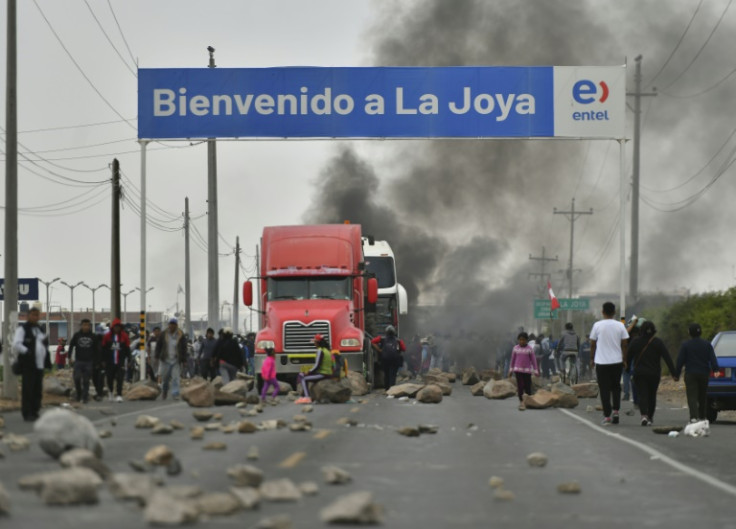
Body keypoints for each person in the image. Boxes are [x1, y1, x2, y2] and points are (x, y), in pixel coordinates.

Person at [627, 320, 677, 426]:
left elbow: (628, 357)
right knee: (652, 395)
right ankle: (650, 417)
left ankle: (643, 415)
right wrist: (673, 373)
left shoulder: (635, 341)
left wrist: (626, 370)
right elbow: (667, 358)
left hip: (639, 373)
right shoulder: (658, 342)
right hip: (654, 374)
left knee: (642, 394)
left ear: (641, 330)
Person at [589, 301, 629, 426]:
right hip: (617, 361)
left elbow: (592, 344)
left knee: (604, 389)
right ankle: (616, 411)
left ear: (602, 312)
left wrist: (591, 359)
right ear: (614, 312)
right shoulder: (620, 326)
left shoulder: (597, 325)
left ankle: (607, 415)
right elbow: (625, 344)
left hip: (601, 362)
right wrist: (624, 359)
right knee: (616, 387)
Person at [674, 323, 720, 423]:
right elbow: (712, 358)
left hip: (690, 374)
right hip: (704, 373)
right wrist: (716, 369)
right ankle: (702, 416)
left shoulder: (685, 345)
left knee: (692, 396)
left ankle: (694, 417)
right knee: (703, 396)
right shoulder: (707, 344)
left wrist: (676, 374)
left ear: (690, 333)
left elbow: (680, 361)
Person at [13, 304, 51, 421]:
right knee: (28, 390)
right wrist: (27, 351)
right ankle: (27, 413)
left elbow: (44, 345)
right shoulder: (22, 329)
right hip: (28, 364)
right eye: (33, 315)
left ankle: (35, 411)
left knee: (37, 389)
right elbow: (16, 344)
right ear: (28, 316)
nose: (35, 317)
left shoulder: (40, 329)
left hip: (39, 364)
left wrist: (47, 361)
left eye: (37, 315)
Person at [67, 318, 100, 403]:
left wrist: (97, 362)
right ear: (81, 326)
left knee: (86, 380)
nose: (86, 327)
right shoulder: (77, 335)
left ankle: (85, 397)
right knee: (77, 378)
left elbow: (97, 350)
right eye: (84, 325)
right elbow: (71, 346)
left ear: (90, 326)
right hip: (78, 361)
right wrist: (69, 357)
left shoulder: (93, 336)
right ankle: (79, 394)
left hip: (89, 362)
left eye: (88, 325)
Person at [296, 334, 334, 404]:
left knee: (303, 377)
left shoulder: (320, 350)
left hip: (323, 374)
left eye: (314, 342)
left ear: (317, 342)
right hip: (328, 373)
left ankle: (307, 397)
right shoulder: (327, 351)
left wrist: (309, 372)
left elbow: (317, 365)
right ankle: (304, 396)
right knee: (303, 375)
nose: (314, 343)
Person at [155, 318, 187, 400]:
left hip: (176, 360)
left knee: (175, 377)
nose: (172, 326)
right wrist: (157, 356)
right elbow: (158, 346)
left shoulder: (180, 335)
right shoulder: (164, 334)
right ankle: (165, 391)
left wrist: (184, 359)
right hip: (165, 359)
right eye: (170, 324)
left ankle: (175, 393)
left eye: (173, 324)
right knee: (165, 378)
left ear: (176, 325)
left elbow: (184, 348)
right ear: (168, 325)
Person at [507, 331, 540, 411]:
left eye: (524, 340)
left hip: (527, 371)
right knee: (520, 386)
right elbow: (513, 360)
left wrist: (536, 370)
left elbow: (533, 360)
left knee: (527, 386)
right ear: (518, 340)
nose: (522, 341)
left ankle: (528, 401)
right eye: (520, 340)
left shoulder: (529, 349)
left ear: (527, 340)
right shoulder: (515, 348)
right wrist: (510, 370)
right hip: (518, 371)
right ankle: (521, 401)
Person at [101, 318, 131, 402]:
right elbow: (103, 349)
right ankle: (110, 392)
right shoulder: (107, 336)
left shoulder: (124, 336)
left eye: (118, 327)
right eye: (115, 327)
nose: (117, 328)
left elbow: (127, 349)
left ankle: (119, 394)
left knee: (120, 378)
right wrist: (103, 360)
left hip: (120, 361)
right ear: (112, 327)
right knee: (110, 378)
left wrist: (129, 359)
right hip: (109, 362)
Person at [371, 325, 406, 390]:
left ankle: (386, 389)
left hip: (385, 359)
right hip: (395, 360)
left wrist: (379, 350)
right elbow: (404, 349)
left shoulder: (381, 338)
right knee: (393, 374)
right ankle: (392, 389)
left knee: (386, 374)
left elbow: (372, 341)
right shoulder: (398, 340)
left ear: (386, 332)